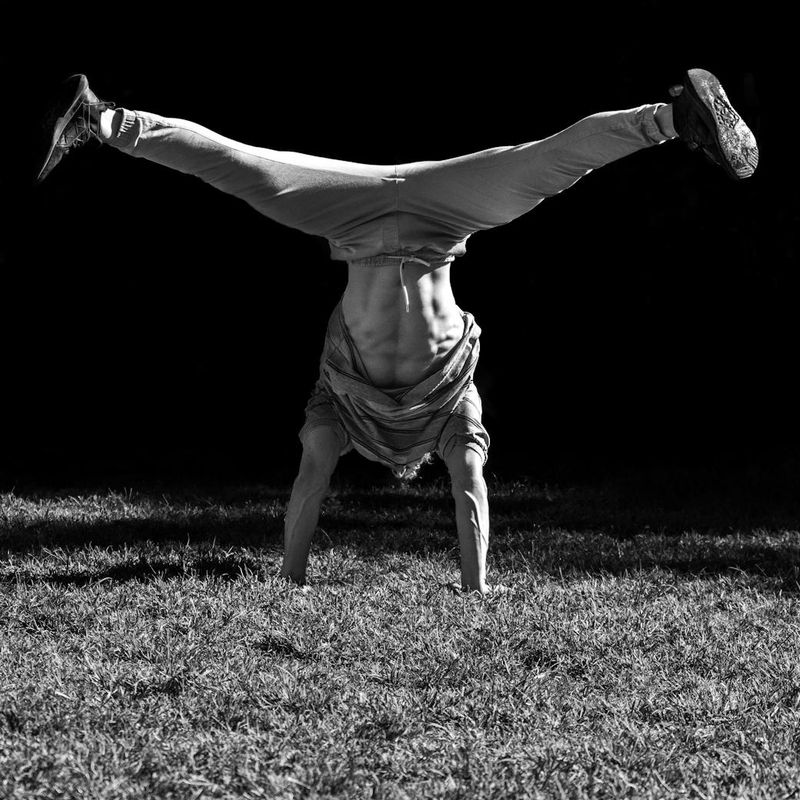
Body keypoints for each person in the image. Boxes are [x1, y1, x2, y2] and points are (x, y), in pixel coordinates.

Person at [35, 69, 759, 594]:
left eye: (407, 468)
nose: (409, 469)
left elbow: (311, 479)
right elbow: (470, 488)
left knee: (240, 167)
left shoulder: (339, 417)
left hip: (352, 222)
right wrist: (477, 592)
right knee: (546, 165)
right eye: (412, 469)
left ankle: (99, 118)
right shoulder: (453, 416)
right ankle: (675, 118)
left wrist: (293, 581)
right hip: (443, 221)